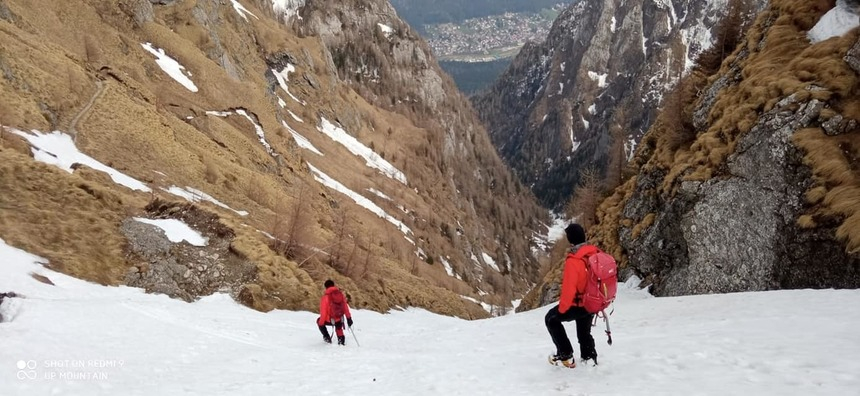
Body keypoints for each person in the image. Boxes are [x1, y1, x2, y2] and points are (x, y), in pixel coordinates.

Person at [546, 223, 598, 368]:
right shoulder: (594, 253)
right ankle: (589, 358)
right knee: (584, 333)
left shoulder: (574, 260)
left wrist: (562, 309)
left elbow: (569, 289)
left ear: (570, 240)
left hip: (579, 304)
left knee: (551, 319)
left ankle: (566, 354)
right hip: (593, 301)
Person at [317, 279, 354, 345]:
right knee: (338, 326)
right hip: (339, 318)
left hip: (330, 320)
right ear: (333, 285)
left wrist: (321, 323)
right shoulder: (340, 295)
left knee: (319, 321)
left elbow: (323, 312)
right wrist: (349, 318)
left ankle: (327, 338)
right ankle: (341, 341)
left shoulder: (325, 297)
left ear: (326, 287)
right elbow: (345, 307)